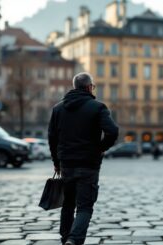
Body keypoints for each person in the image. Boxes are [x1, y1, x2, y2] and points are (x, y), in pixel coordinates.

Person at [48, 72, 119, 245]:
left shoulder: (58, 109)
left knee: (68, 204)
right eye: (93, 86)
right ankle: (74, 240)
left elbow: (52, 138)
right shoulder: (97, 107)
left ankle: (65, 238)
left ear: (74, 87)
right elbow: (113, 131)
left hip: (66, 165)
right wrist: (100, 149)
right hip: (88, 164)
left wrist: (57, 163)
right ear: (89, 87)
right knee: (85, 206)